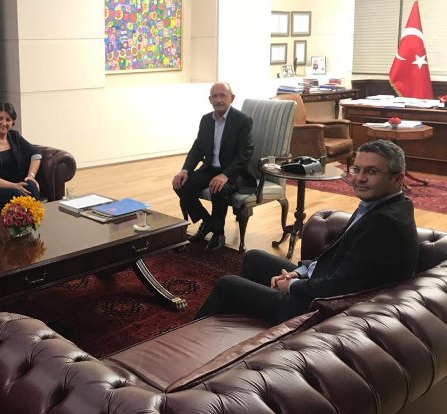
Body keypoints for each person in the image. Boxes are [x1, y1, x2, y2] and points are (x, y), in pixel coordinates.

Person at [196, 139, 419, 324]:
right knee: (254, 258)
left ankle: (195, 342)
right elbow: (339, 259)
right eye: (357, 169)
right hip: (322, 288)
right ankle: (252, 323)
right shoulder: (385, 206)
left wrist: (292, 286)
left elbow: (341, 287)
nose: (360, 178)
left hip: (322, 310)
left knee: (227, 285)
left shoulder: (383, 223)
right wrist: (300, 273)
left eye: (372, 171)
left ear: (397, 178)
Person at [171, 82, 256, 251]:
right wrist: (185, 170)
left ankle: (218, 233)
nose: (219, 100)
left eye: (223, 95)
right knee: (181, 185)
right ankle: (207, 221)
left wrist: (225, 175)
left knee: (218, 188)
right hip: (210, 168)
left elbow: (245, 154)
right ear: (210, 100)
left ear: (232, 98)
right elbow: (197, 148)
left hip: (235, 172)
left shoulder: (242, 121)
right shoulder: (206, 120)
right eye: (215, 96)